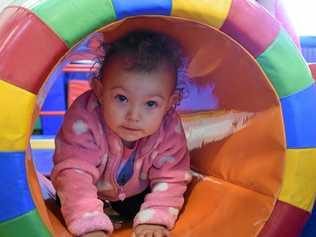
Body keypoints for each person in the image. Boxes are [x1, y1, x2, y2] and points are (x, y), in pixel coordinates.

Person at [51, 31, 191, 237]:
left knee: (147, 206)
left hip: (136, 194)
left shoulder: (169, 128)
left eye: (151, 103)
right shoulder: (85, 118)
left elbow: (172, 176)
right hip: (85, 190)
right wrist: (89, 224)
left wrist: (155, 219)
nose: (134, 116)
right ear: (99, 91)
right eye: (122, 98)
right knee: (66, 199)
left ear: (170, 103)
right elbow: (73, 172)